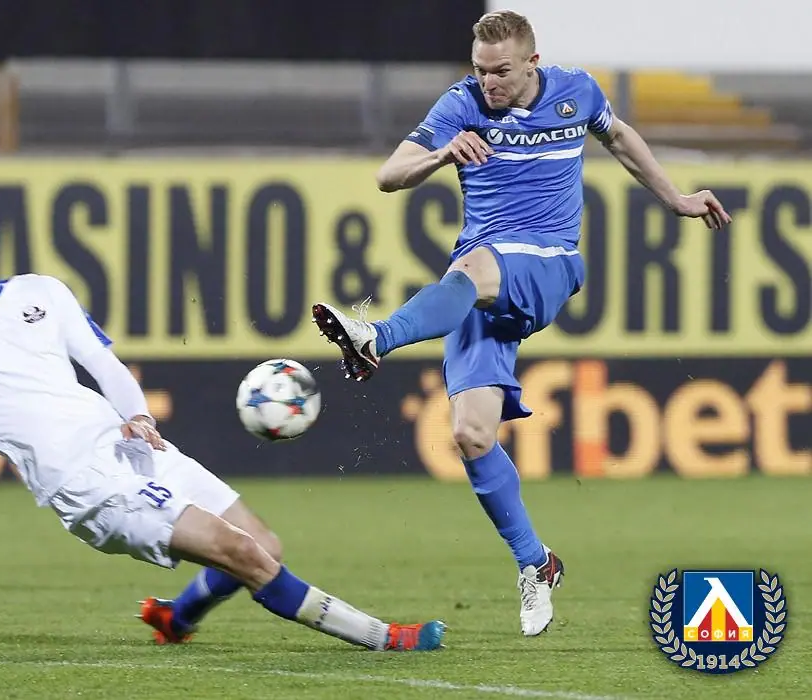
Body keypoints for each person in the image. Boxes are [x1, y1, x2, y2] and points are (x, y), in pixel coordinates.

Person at [312, 10, 732, 637]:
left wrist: (675, 199)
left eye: (501, 71)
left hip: (547, 264)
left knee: (473, 266)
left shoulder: (576, 91)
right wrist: (441, 154)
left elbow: (619, 137)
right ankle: (537, 562)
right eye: (480, 71)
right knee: (471, 434)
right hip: (476, 290)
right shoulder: (461, 105)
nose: (490, 83)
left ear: (533, 62)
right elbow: (387, 175)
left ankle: (377, 337)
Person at [0, 197, 446, 653]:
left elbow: (103, 364)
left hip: (129, 445)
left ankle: (175, 619)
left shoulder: (41, 292)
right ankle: (382, 636)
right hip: (84, 482)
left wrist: (137, 414)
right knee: (243, 555)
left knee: (264, 544)